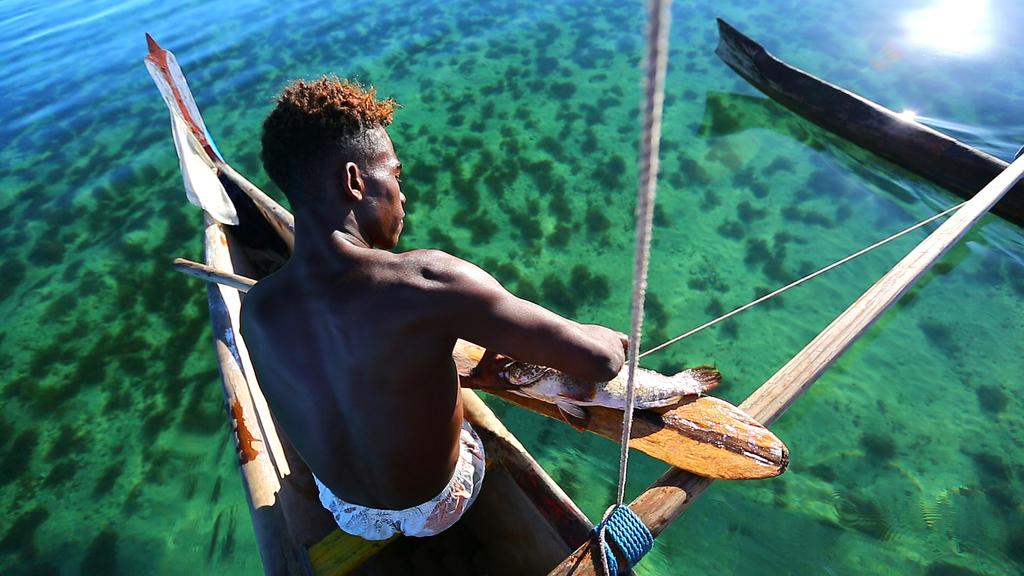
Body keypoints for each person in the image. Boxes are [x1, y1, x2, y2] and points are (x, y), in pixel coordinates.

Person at [241, 77, 626, 541]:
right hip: (436, 507)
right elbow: (600, 361)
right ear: (355, 181)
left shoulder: (256, 308)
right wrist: (607, 336)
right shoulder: (426, 280)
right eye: (395, 176)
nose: (402, 196)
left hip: (348, 512)